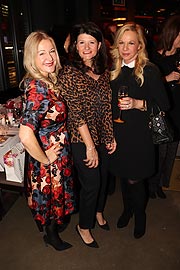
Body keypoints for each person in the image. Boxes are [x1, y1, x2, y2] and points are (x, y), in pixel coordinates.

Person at [109, 22, 170, 238]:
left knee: (136, 179)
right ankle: (127, 210)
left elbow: (164, 105)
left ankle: (140, 216)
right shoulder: (114, 71)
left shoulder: (150, 70)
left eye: (131, 43)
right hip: (119, 134)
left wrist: (137, 104)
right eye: (122, 43)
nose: (126, 48)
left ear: (139, 46)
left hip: (140, 135)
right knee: (124, 177)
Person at [59, 22, 116, 248]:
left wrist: (110, 136)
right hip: (81, 139)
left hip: (102, 136)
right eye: (81, 42)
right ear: (75, 45)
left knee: (104, 179)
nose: (86, 47)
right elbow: (76, 113)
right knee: (92, 184)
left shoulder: (103, 71)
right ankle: (83, 226)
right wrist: (91, 146)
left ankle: (99, 212)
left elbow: (106, 109)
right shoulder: (69, 73)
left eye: (91, 42)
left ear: (99, 44)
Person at [19, 31, 75, 251]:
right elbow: (25, 135)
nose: (49, 57)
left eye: (51, 51)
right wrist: (45, 158)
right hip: (49, 158)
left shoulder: (47, 80)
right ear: (32, 57)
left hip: (57, 153)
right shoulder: (37, 88)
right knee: (51, 200)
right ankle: (51, 236)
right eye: (41, 53)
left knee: (55, 198)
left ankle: (53, 229)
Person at [148, 14, 180, 199]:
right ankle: (152, 184)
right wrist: (167, 79)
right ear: (172, 34)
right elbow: (147, 85)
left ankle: (161, 183)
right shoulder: (154, 58)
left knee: (172, 151)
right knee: (161, 150)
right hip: (162, 110)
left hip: (178, 109)